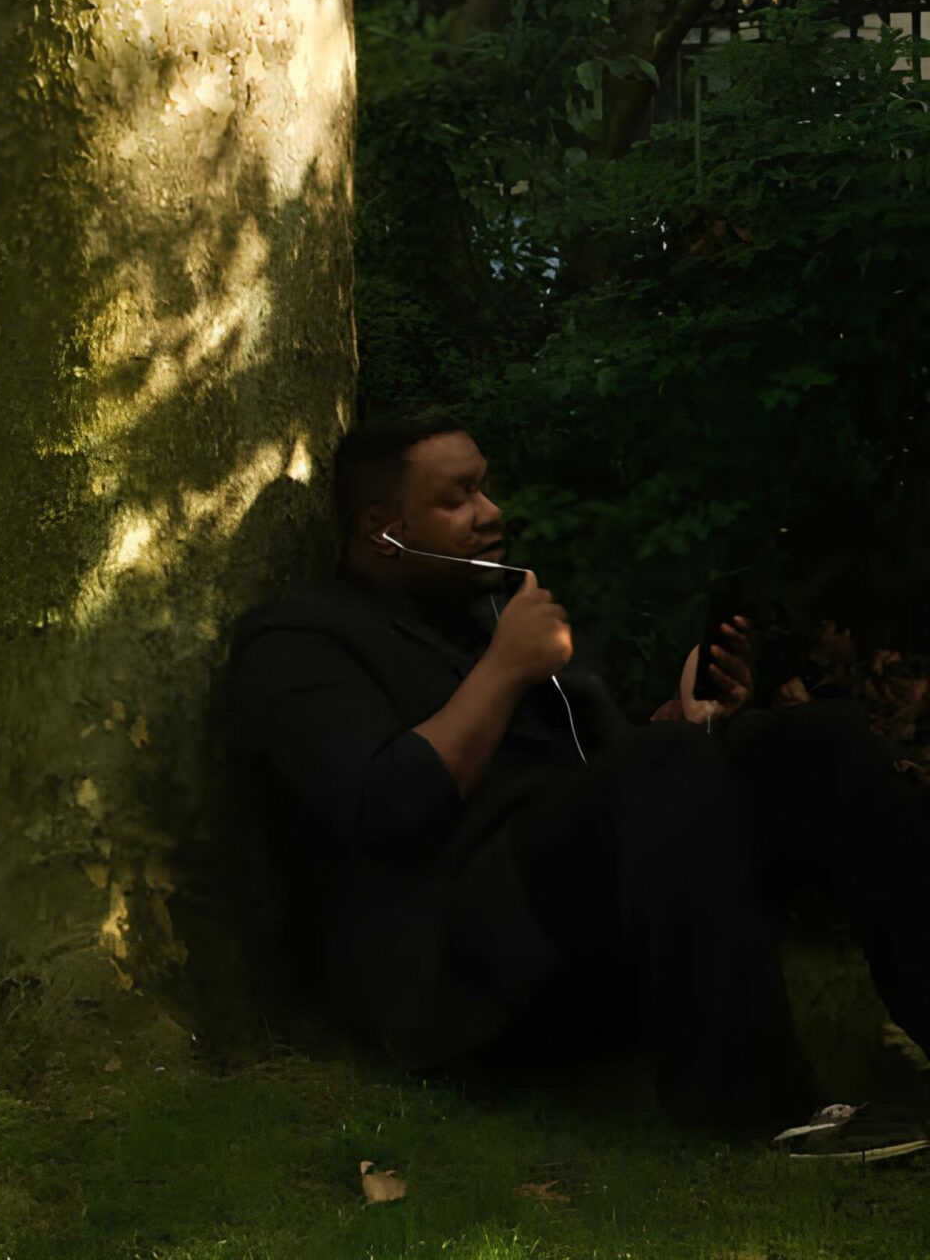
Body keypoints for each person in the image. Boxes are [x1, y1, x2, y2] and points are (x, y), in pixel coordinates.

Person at [221, 413, 930, 1144]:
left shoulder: (486, 616)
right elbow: (386, 810)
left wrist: (694, 727)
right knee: (667, 763)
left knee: (818, 743)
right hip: (466, 978)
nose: (491, 512)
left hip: (597, 931)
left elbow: (613, 780)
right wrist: (505, 670)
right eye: (458, 497)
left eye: (484, 488)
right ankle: (763, 1117)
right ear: (383, 531)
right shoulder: (300, 640)